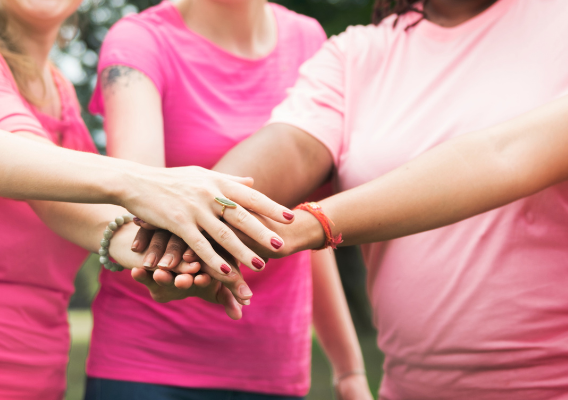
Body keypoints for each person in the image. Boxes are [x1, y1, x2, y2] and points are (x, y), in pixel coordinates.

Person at [0, 0, 291, 398]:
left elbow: (74, 209)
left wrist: (164, 254)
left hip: (13, 373)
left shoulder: (57, 90)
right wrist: (143, 185)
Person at [136, 0, 568, 398]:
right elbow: (292, 145)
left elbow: (505, 157)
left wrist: (311, 225)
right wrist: (192, 229)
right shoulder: (358, 52)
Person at [88, 1, 371, 399]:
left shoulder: (308, 39)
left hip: (273, 365)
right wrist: (168, 267)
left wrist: (349, 371)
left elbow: (299, 225)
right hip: (149, 364)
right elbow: (140, 198)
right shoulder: (140, 40)